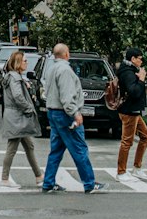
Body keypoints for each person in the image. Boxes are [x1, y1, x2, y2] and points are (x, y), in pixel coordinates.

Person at [40, 43, 106, 194]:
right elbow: (67, 97)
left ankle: (48, 182)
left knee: (56, 150)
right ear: (66, 54)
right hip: (65, 114)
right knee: (79, 148)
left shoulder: (51, 69)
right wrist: (75, 113)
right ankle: (89, 183)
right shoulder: (65, 70)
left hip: (53, 112)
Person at [0, 51, 43, 189]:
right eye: (25, 60)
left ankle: (39, 176)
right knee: (12, 148)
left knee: (29, 146)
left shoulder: (14, 77)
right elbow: (18, 97)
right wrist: (29, 108)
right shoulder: (15, 78)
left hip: (15, 116)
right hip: (17, 117)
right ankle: (4, 179)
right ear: (18, 63)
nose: (27, 62)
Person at [115, 48, 147, 181]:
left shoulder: (129, 70)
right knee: (127, 142)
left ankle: (137, 168)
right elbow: (134, 92)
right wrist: (141, 79)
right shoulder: (128, 73)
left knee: (145, 136)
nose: (141, 60)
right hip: (129, 111)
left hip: (133, 111)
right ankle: (121, 172)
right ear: (133, 59)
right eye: (140, 58)